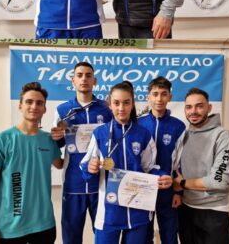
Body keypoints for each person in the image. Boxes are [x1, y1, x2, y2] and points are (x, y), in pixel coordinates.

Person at [80, 81, 172, 244]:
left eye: (126, 103)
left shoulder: (143, 134)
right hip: (108, 211)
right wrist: (90, 168)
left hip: (138, 210)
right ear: (110, 104)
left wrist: (162, 176)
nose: (121, 108)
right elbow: (85, 165)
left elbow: (150, 167)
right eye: (116, 103)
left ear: (132, 104)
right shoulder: (100, 134)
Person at [0, 82, 63, 244]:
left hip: (45, 225)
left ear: (44, 109)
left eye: (39, 103)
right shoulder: (2, 140)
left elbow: (61, 164)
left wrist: (69, 138)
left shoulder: (48, 140)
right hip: (11, 228)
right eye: (29, 102)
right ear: (20, 106)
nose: (34, 106)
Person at [50, 62, 112, 244]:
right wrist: (56, 137)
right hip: (73, 182)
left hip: (101, 183)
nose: (84, 79)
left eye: (88, 75)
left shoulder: (107, 109)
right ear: (73, 81)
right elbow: (57, 144)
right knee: (71, 237)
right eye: (79, 75)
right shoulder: (63, 110)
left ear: (95, 81)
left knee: (104, 235)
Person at [173, 88, 229, 244]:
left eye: (199, 106)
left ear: (209, 108)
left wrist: (183, 183)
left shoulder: (223, 136)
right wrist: (177, 192)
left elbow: (219, 182)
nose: (193, 111)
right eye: (189, 107)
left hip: (213, 212)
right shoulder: (184, 135)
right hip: (186, 209)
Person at [137, 77, 186, 244]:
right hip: (143, 189)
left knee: (169, 236)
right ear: (148, 97)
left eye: (164, 94)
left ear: (170, 97)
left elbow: (180, 162)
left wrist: (178, 192)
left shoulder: (178, 126)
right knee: (143, 237)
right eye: (155, 94)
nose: (159, 98)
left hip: (168, 190)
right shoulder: (138, 124)